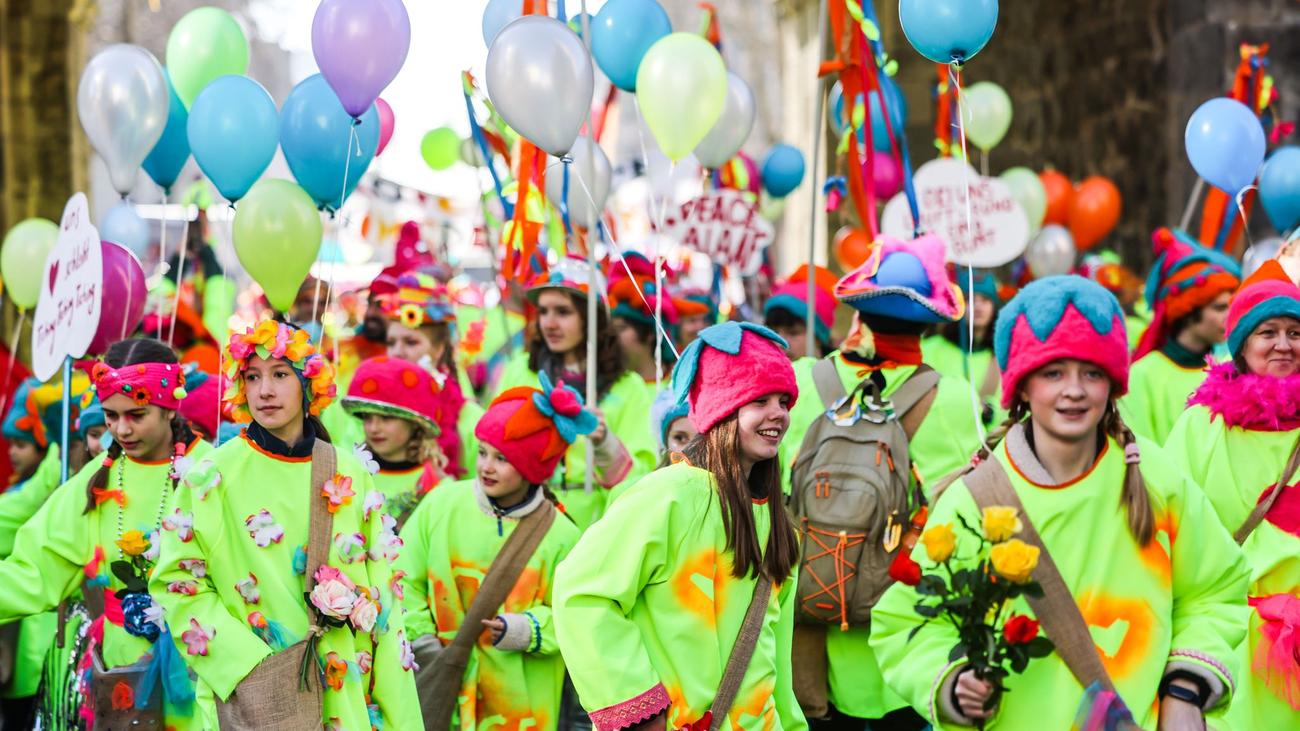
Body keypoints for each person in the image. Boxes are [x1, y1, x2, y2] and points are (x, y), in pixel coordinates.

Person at [870, 275, 1249, 730]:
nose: (1074, 390)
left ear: (1113, 383)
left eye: (1092, 373)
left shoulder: (1155, 478)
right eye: (1053, 373)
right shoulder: (974, 501)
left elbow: (1215, 591)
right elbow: (905, 624)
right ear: (1022, 387)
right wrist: (952, 682)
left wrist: (1185, 690)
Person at [152, 320, 420, 728]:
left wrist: (392, 708)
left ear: (308, 384)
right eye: (252, 377)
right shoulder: (211, 476)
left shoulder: (350, 473)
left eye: (280, 374)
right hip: (256, 693)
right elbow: (177, 583)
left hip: (344, 691)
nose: (264, 391)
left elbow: (384, 596)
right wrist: (248, 663)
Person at [554, 321, 807, 731]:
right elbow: (581, 592)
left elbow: (774, 659)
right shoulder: (668, 494)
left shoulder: (777, 522)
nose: (778, 413)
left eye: (784, 401)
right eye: (760, 400)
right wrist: (639, 711)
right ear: (723, 410)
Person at [780, 234, 984, 731]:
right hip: (904, 639)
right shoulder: (956, 398)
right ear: (930, 320)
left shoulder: (805, 379)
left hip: (811, 632)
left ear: (859, 311)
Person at [0, 338, 213, 729]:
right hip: (123, 675)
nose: (121, 429)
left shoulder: (210, 471)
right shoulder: (99, 475)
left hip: (205, 666)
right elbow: (36, 569)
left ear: (170, 408)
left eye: (136, 414)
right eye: (111, 417)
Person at [398, 374, 590, 730]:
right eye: (483, 452)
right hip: (438, 686)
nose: (486, 466)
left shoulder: (563, 535)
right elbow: (402, 575)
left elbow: (576, 614)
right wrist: (422, 638)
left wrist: (530, 629)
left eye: (502, 458)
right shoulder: (442, 502)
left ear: (534, 466)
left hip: (519, 708)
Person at [1164, 260, 1300, 729]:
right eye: (1268, 332)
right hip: (1230, 646)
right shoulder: (1200, 426)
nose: (1284, 345)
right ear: (1241, 345)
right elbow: (1169, 530)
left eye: (1295, 332)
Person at [495, 258, 655, 530]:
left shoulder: (629, 387)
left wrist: (606, 444)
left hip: (598, 526)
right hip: (523, 517)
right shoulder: (519, 371)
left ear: (592, 317)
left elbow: (644, 479)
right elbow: (492, 445)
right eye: (543, 311)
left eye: (563, 311)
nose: (549, 323)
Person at [1120, 228, 1240, 445]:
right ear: (1188, 311)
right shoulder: (1142, 375)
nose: (1229, 316)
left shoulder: (1230, 370)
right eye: (1219, 307)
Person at [382, 271, 483, 480]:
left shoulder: (471, 420)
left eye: (411, 342)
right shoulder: (369, 413)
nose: (397, 352)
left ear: (439, 349)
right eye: (391, 342)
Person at [341, 356, 447, 523]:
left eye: (386, 418)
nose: (374, 428)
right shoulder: (347, 475)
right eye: (367, 417)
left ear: (414, 423)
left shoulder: (437, 485)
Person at [921, 269, 1007, 426]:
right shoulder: (929, 349)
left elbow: (1011, 408)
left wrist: (990, 412)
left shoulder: (1004, 357)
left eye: (985, 299)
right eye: (970, 299)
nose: (978, 306)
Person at [608, 252, 679, 389]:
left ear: (649, 334)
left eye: (621, 328)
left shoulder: (678, 385)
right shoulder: (603, 389)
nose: (613, 336)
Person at [764, 264, 839, 361]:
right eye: (774, 332)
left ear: (818, 338)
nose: (779, 343)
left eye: (793, 333)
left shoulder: (840, 374)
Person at [648, 389, 696, 466]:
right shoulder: (648, 478)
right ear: (665, 442)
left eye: (701, 440)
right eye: (680, 438)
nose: (689, 449)